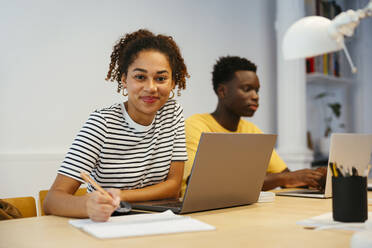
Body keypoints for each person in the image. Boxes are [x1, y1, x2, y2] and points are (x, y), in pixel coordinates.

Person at [44, 29, 189, 222]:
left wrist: (120, 195)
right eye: (140, 77)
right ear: (124, 79)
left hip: (156, 221)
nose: (151, 88)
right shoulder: (102, 123)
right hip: (111, 223)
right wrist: (87, 205)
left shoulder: (172, 112)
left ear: (172, 83)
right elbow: (52, 201)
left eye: (161, 78)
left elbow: (173, 187)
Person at [182, 56, 326, 195]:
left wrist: (313, 178)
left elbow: (285, 176)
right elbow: (199, 182)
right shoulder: (195, 126)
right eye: (247, 89)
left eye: (257, 90)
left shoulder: (252, 130)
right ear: (222, 91)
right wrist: (286, 178)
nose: (255, 96)